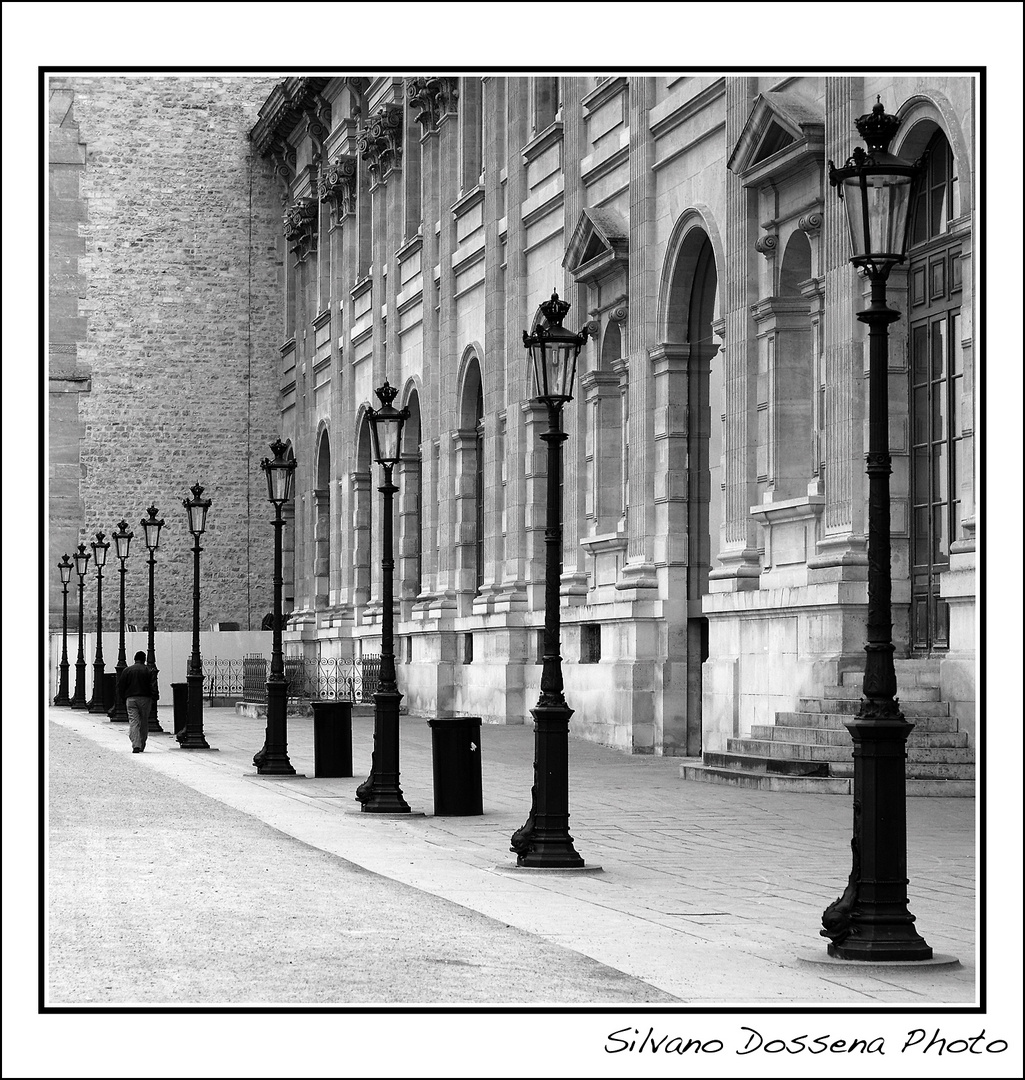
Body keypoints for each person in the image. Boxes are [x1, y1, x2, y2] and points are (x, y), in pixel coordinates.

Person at [119, 650, 156, 753]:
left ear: (135, 659)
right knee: (144, 722)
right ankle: (142, 744)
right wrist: (154, 697)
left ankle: (136, 744)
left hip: (131, 699)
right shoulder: (149, 670)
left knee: (134, 722)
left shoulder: (127, 670)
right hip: (145, 698)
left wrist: (123, 698)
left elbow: (121, 686)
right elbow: (153, 686)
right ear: (144, 660)